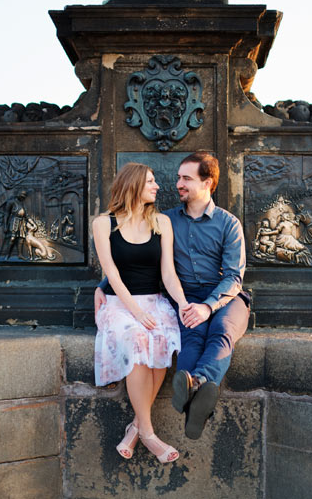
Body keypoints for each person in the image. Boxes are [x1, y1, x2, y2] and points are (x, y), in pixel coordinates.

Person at [96, 153, 250, 440]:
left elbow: (233, 277)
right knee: (190, 337)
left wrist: (208, 306)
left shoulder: (228, 224)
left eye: (186, 179)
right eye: (179, 177)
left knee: (221, 332)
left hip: (226, 298)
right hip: (187, 296)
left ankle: (198, 383)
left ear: (208, 182)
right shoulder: (164, 220)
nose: (178, 183)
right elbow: (138, 258)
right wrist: (103, 285)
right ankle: (195, 398)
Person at [92, 162, 188, 464]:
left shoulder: (161, 222)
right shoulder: (103, 224)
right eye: (150, 181)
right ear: (133, 185)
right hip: (119, 305)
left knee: (161, 339)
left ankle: (135, 426)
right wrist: (135, 312)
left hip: (154, 301)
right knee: (137, 339)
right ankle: (148, 434)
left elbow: (169, 275)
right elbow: (113, 275)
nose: (157, 186)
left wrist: (183, 304)